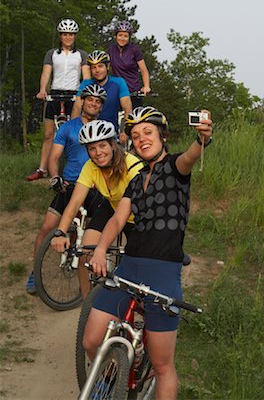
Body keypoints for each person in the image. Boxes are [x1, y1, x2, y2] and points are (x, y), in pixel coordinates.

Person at [83, 106, 212, 400]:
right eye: (136, 135)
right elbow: (117, 220)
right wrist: (101, 249)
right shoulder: (135, 178)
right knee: (91, 340)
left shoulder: (176, 167)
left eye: (148, 133)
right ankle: (110, 384)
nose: (142, 139)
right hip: (128, 268)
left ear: (162, 136)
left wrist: (203, 138)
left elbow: (192, 154)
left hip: (163, 272)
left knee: (163, 365)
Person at [25, 84, 106, 294]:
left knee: (93, 233)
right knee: (47, 227)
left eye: (98, 101)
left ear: (100, 106)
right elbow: (54, 157)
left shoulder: (105, 129)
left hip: (95, 187)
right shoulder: (68, 128)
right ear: (83, 101)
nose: (93, 103)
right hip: (69, 184)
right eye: (90, 99)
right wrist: (55, 177)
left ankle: (90, 273)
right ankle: (35, 273)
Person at [50, 119, 144, 298]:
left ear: (113, 144)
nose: (98, 153)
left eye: (102, 146)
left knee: (137, 266)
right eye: (92, 149)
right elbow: (75, 202)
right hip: (111, 206)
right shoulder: (90, 167)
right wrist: (60, 232)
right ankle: (87, 302)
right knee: (86, 253)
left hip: (136, 215)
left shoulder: (133, 166)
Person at [26, 18, 90, 181]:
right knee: (48, 134)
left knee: (75, 134)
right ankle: (42, 169)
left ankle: (77, 169)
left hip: (74, 95)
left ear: (75, 36)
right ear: (60, 36)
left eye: (71, 34)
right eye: (65, 34)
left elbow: (87, 76)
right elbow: (46, 73)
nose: (68, 37)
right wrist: (42, 90)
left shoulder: (81, 54)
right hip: (54, 94)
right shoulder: (52, 53)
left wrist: (83, 93)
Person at [72, 50, 132, 145]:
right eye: (93, 67)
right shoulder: (86, 84)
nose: (97, 70)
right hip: (88, 132)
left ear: (107, 67)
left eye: (100, 66)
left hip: (111, 133)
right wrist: (73, 130)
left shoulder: (119, 83)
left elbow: (127, 109)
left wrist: (124, 131)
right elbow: (77, 108)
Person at [108, 20, 151, 108]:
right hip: (117, 91)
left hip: (133, 91)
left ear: (129, 37)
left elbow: (144, 70)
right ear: (115, 36)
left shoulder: (134, 50)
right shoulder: (111, 50)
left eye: (125, 36)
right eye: (120, 35)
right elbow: (105, 69)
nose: (122, 38)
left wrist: (146, 86)